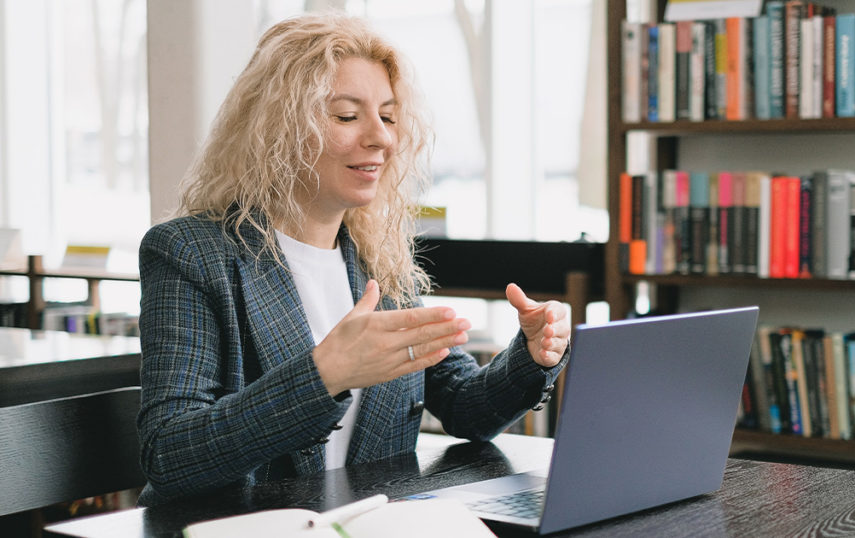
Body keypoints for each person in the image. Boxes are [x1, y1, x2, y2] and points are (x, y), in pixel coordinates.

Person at [136, 12, 570, 506]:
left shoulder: (377, 259)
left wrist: (532, 355)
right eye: (347, 116)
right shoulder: (189, 253)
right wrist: (325, 374)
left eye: (387, 116)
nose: (382, 138)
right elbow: (171, 454)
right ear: (278, 127)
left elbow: (466, 406)